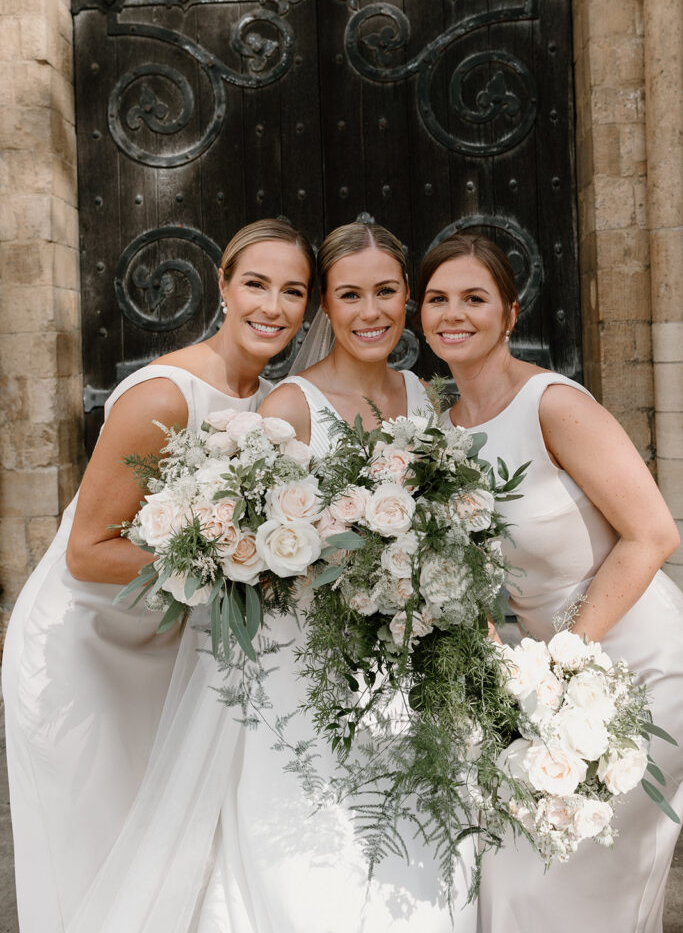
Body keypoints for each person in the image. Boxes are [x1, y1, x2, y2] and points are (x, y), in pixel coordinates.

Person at [64, 222, 478, 932]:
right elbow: (254, 547)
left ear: (408, 297)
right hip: (303, 665)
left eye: (385, 291)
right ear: (327, 307)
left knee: (414, 849)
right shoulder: (286, 410)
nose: (370, 312)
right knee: (308, 862)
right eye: (350, 295)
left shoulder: (427, 397)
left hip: (407, 666)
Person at [2, 218, 315, 933]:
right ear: (224, 286)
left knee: (163, 858)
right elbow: (87, 552)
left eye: (292, 291)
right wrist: (232, 563)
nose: (272, 306)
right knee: (96, 855)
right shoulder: (166, 395)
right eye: (257, 284)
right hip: (83, 650)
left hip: (163, 649)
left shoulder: (273, 405)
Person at [416, 231, 683, 933]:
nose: (453, 314)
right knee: (512, 869)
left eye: (474, 298)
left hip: (635, 662)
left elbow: (652, 533)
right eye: (437, 299)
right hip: (542, 679)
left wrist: (565, 656)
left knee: (577, 872)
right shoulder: (439, 432)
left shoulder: (551, 404)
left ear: (508, 313)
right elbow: (469, 569)